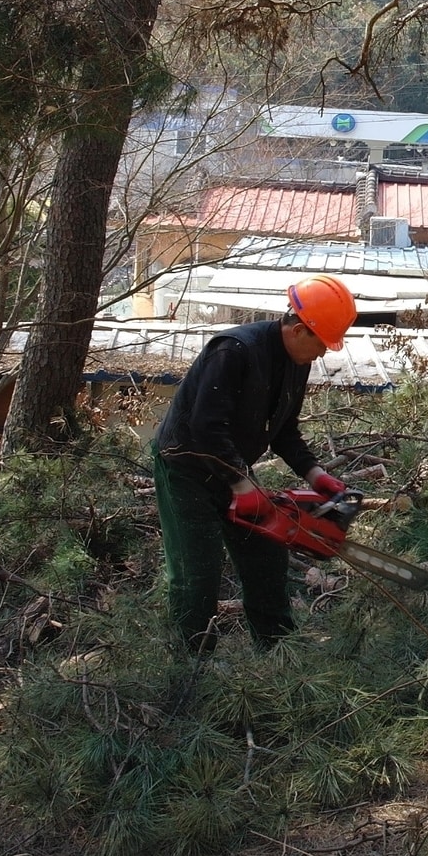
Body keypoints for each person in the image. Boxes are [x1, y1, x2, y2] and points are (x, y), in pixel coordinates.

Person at [151, 275, 357, 652]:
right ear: (298, 330)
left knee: (266, 556)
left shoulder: (297, 362)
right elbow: (206, 427)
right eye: (321, 343)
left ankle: (277, 651)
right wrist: (242, 485)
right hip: (185, 467)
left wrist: (317, 475)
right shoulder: (234, 351)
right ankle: (187, 665)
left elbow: (284, 432)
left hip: (232, 469)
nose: (324, 353)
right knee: (197, 576)